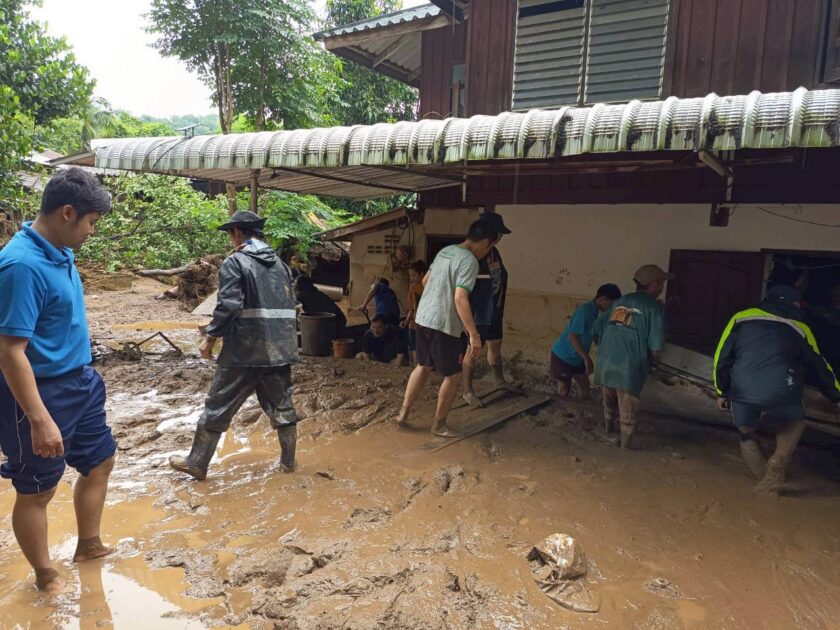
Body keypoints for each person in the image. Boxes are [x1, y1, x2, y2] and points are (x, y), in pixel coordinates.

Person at [0, 168, 116, 594]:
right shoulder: (21, 266)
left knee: (101, 461)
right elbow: (9, 350)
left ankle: (89, 545)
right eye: (91, 222)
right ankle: (45, 574)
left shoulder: (59, 250)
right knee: (37, 489)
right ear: (68, 212)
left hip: (80, 381)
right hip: (39, 392)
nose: (91, 231)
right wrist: (39, 418)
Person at [170, 210, 300, 480]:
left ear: (238, 232)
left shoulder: (236, 261)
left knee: (217, 404)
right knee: (282, 406)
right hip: (280, 348)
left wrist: (210, 337)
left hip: (244, 350)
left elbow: (229, 305)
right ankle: (288, 463)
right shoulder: (281, 265)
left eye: (230, 233)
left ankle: (197, 462)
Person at [713, 285, 840, 495]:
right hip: (784, 386)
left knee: (746, 432)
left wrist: (722, 391)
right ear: (792, 303)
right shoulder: (800, 327)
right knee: (794, 420)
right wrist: (836, 396)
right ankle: (778, 459)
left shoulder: (741, 318)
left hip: (743, 387)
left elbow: (722, 358)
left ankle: (764, 481)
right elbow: (819, 365)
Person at [395, 220, 498, 437]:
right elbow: (460, 298)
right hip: (443, 324)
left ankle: (403, 413)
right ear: (485, 243)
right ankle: (439, 425)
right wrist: (474, 334)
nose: (488, 252)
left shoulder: (445, 251)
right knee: (453, 375)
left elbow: (425, 281)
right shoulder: (470, 261)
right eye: (491, 247)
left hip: (423, 318)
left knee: (422, 365)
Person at [592, 264, 672, 449]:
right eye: (661, 284)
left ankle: (608, 429)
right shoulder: (653, 307)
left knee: (609, 397)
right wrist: (655, 363)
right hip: (629, 363)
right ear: (654, 284)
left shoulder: (620, 301)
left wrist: (607, 347)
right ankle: (625, 446)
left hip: (606, 359)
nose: (662, 288)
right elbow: (656, 345)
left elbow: (596, 329)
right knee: (628, 403)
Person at [461, 213, 520, 409]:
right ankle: (467, 391)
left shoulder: (494, 252)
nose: (500, 237)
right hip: (479, 311)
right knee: (473, 349)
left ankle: (499, 380)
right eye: (498, 233)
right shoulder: (473, 255)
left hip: (495, 308)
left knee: (495, 344)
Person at [551, 284, 622, 398]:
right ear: (603, 299)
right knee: (564, 388)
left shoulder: (595, 312)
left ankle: (583, 407)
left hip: (577, 357)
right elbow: (572, 337)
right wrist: (587, 358)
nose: (611, 307)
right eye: (612, 303)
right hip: (563, 356)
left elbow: (591, 334)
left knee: (584, 385)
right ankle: (559, 408)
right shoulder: (585, 311)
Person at [401, 260, 427, 364]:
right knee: (414, 351)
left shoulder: (430, 286)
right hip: (414, 325)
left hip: (427, 326)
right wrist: (406, 322)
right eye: (410, 275)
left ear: (422, 273)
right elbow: (411, 309)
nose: (411, 278)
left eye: (413, 275)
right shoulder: (413, 287)